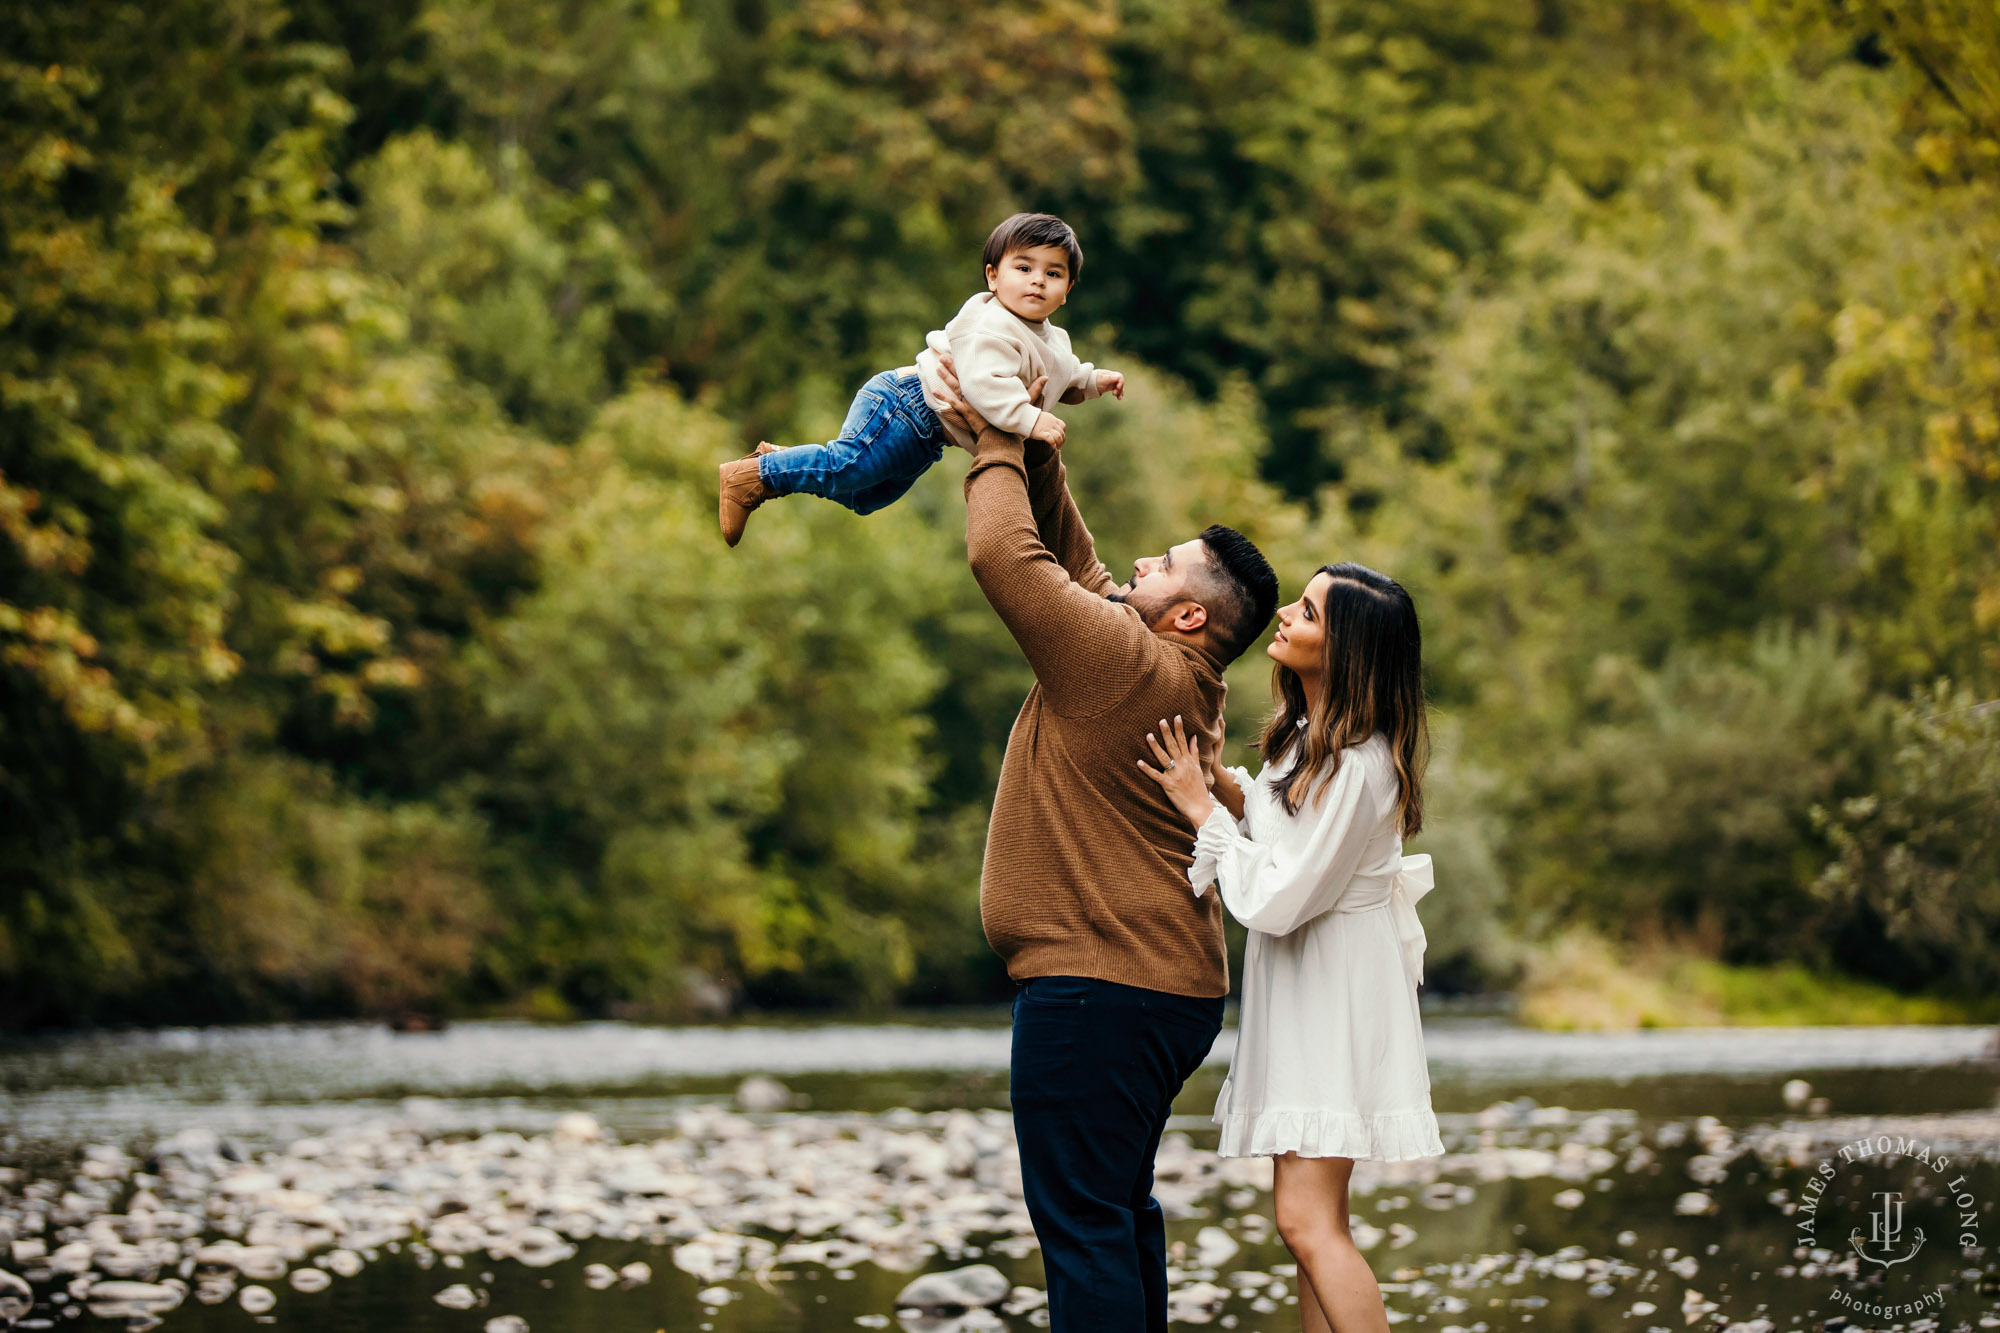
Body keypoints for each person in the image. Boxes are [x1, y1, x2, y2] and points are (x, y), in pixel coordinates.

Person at [931, 357, 1276, 1333]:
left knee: (1081, 1223)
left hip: (1099, 989)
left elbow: (1008, 561)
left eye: (1160, 566)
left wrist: (990, 435)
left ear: (1189, 614)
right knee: (1117, 1212)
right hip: (1156, 986)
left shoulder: (1123, 661)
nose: (1137, 565)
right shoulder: (1167, 664)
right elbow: (1081, 571)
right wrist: (1035, 437)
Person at [1138, 563, 1443, 1333]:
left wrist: (1202, 806)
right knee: (1308, 1225)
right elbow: (1287, 839)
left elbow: (1280, 896)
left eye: (1305, 612)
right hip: (1312, 988)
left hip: (1332, 994)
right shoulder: (1310, 740)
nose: (1283, 614)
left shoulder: (1361, 763)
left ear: (1345, 653)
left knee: (1309, 1223)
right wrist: (1235, 792)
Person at [715, 212, 1124, 546]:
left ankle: (782, 459)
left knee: (865, 496)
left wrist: (1093, 381)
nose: (1037, 279)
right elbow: (983, 386)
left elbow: (1064, 373)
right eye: (1023, 267)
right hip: (907, 404)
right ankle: (753, 476)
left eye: (1053, 274)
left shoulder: (1051, 338)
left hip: (929, 433)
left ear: (1067, 289)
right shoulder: (990, 325)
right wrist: (1032, 420)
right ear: (993, 276)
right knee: (850, 468)